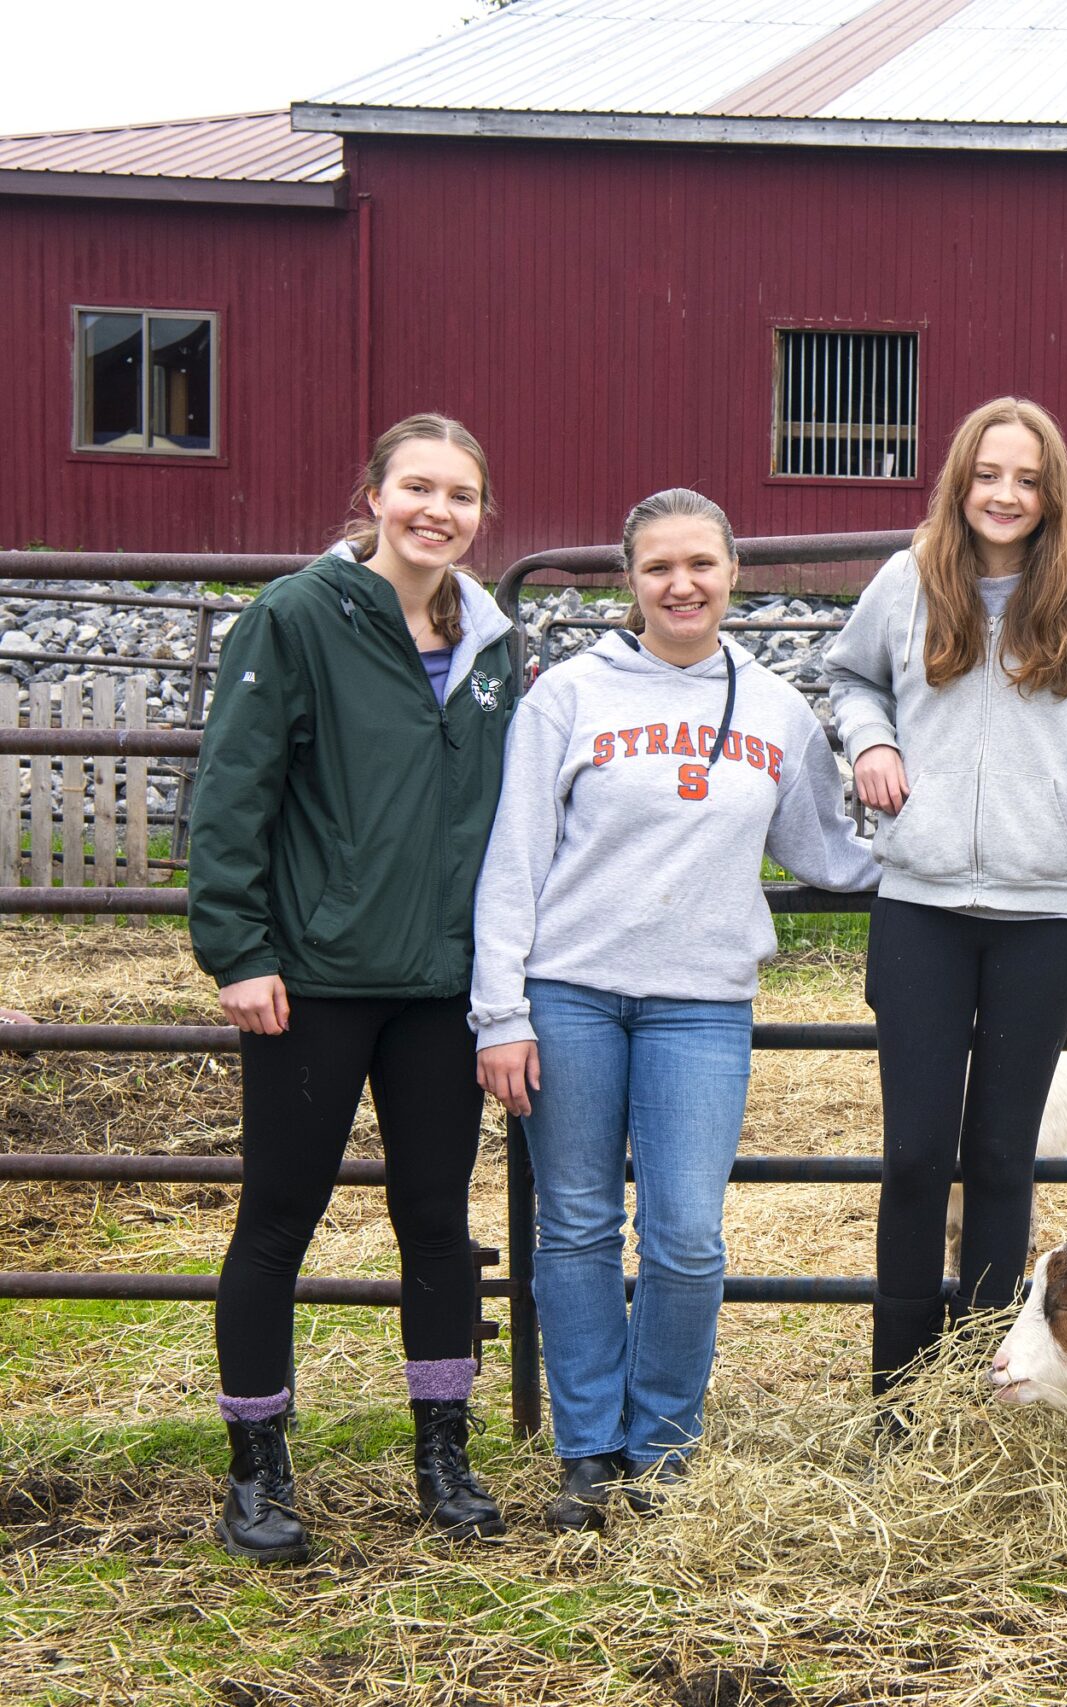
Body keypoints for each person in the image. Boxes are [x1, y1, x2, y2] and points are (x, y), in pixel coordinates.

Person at [471, 489, 880, 1531]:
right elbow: (513, 858)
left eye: (700, 563)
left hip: (700, 1004)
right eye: (658, 567)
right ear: (629, 578)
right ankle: (588, 1450)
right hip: (569, 992)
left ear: (732, 570)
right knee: (573, 1222)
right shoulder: (566, 696)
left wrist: (942, 845)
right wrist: (499, 1010)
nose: (681, 585)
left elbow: (825, 851)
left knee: (688, 1234)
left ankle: (663, 1445)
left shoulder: (777, 708)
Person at [819, 397, 1067, 1415]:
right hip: (922, 901)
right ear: (960, 481)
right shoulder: (911, 579)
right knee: (915, 1155)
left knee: (1001, 1154)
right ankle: (898, 1390)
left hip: (1048, 907)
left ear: (1051, 492)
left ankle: (979, 1382)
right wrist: (871, 741)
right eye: (988, 475)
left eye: (1027, 480)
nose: (1005, 495)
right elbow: (850, 677)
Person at [187, 414, 518, 1564]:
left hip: (439, 986)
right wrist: (237, 947)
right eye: (417, 487)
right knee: (278, 1218)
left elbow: (507, 824)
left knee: (436, 1222)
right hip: (314, 981)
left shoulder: (493, 644)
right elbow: (236, 786)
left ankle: (443, 1453)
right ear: (374, 493)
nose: (439, 511)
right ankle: (258, 1470)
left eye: (461, 495)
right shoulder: (295, 618)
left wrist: (502, 976)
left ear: (482, 514)